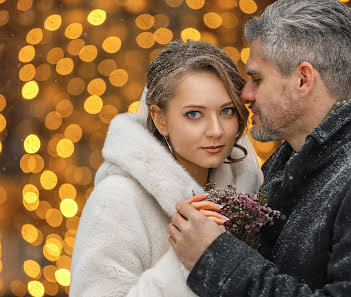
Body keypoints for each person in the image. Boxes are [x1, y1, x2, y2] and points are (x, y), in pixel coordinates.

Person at [169, 0, 351, 296]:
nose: (246, 94)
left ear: (303, 79)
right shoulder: (293, 161)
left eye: (256, 78)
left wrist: (217, 258)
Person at [69, 40, 263, 297]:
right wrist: (187, 261)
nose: (216, 131)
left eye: (227, 111)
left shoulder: (250, 191)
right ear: (160, 119)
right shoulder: (117, 199)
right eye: (194, 114)